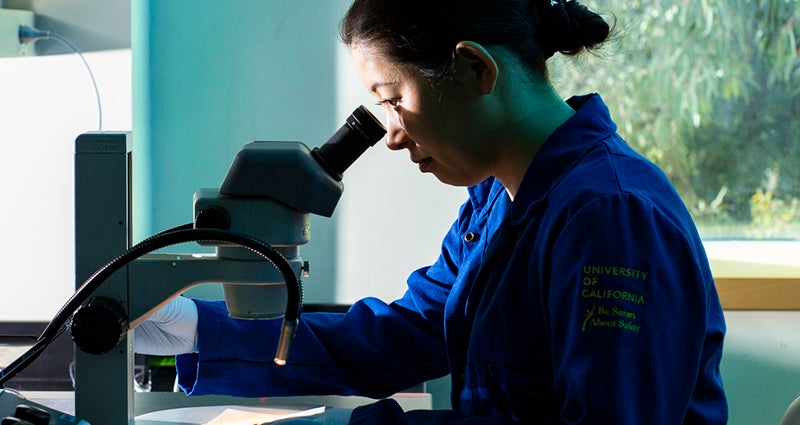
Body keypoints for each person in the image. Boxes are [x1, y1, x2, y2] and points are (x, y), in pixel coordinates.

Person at [135, 0, 728, 423]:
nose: (390, 135)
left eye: (393, 101)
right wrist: (192, 327)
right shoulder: (500, 199)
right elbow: (405, 336)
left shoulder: (610, 217)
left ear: (476, 69)